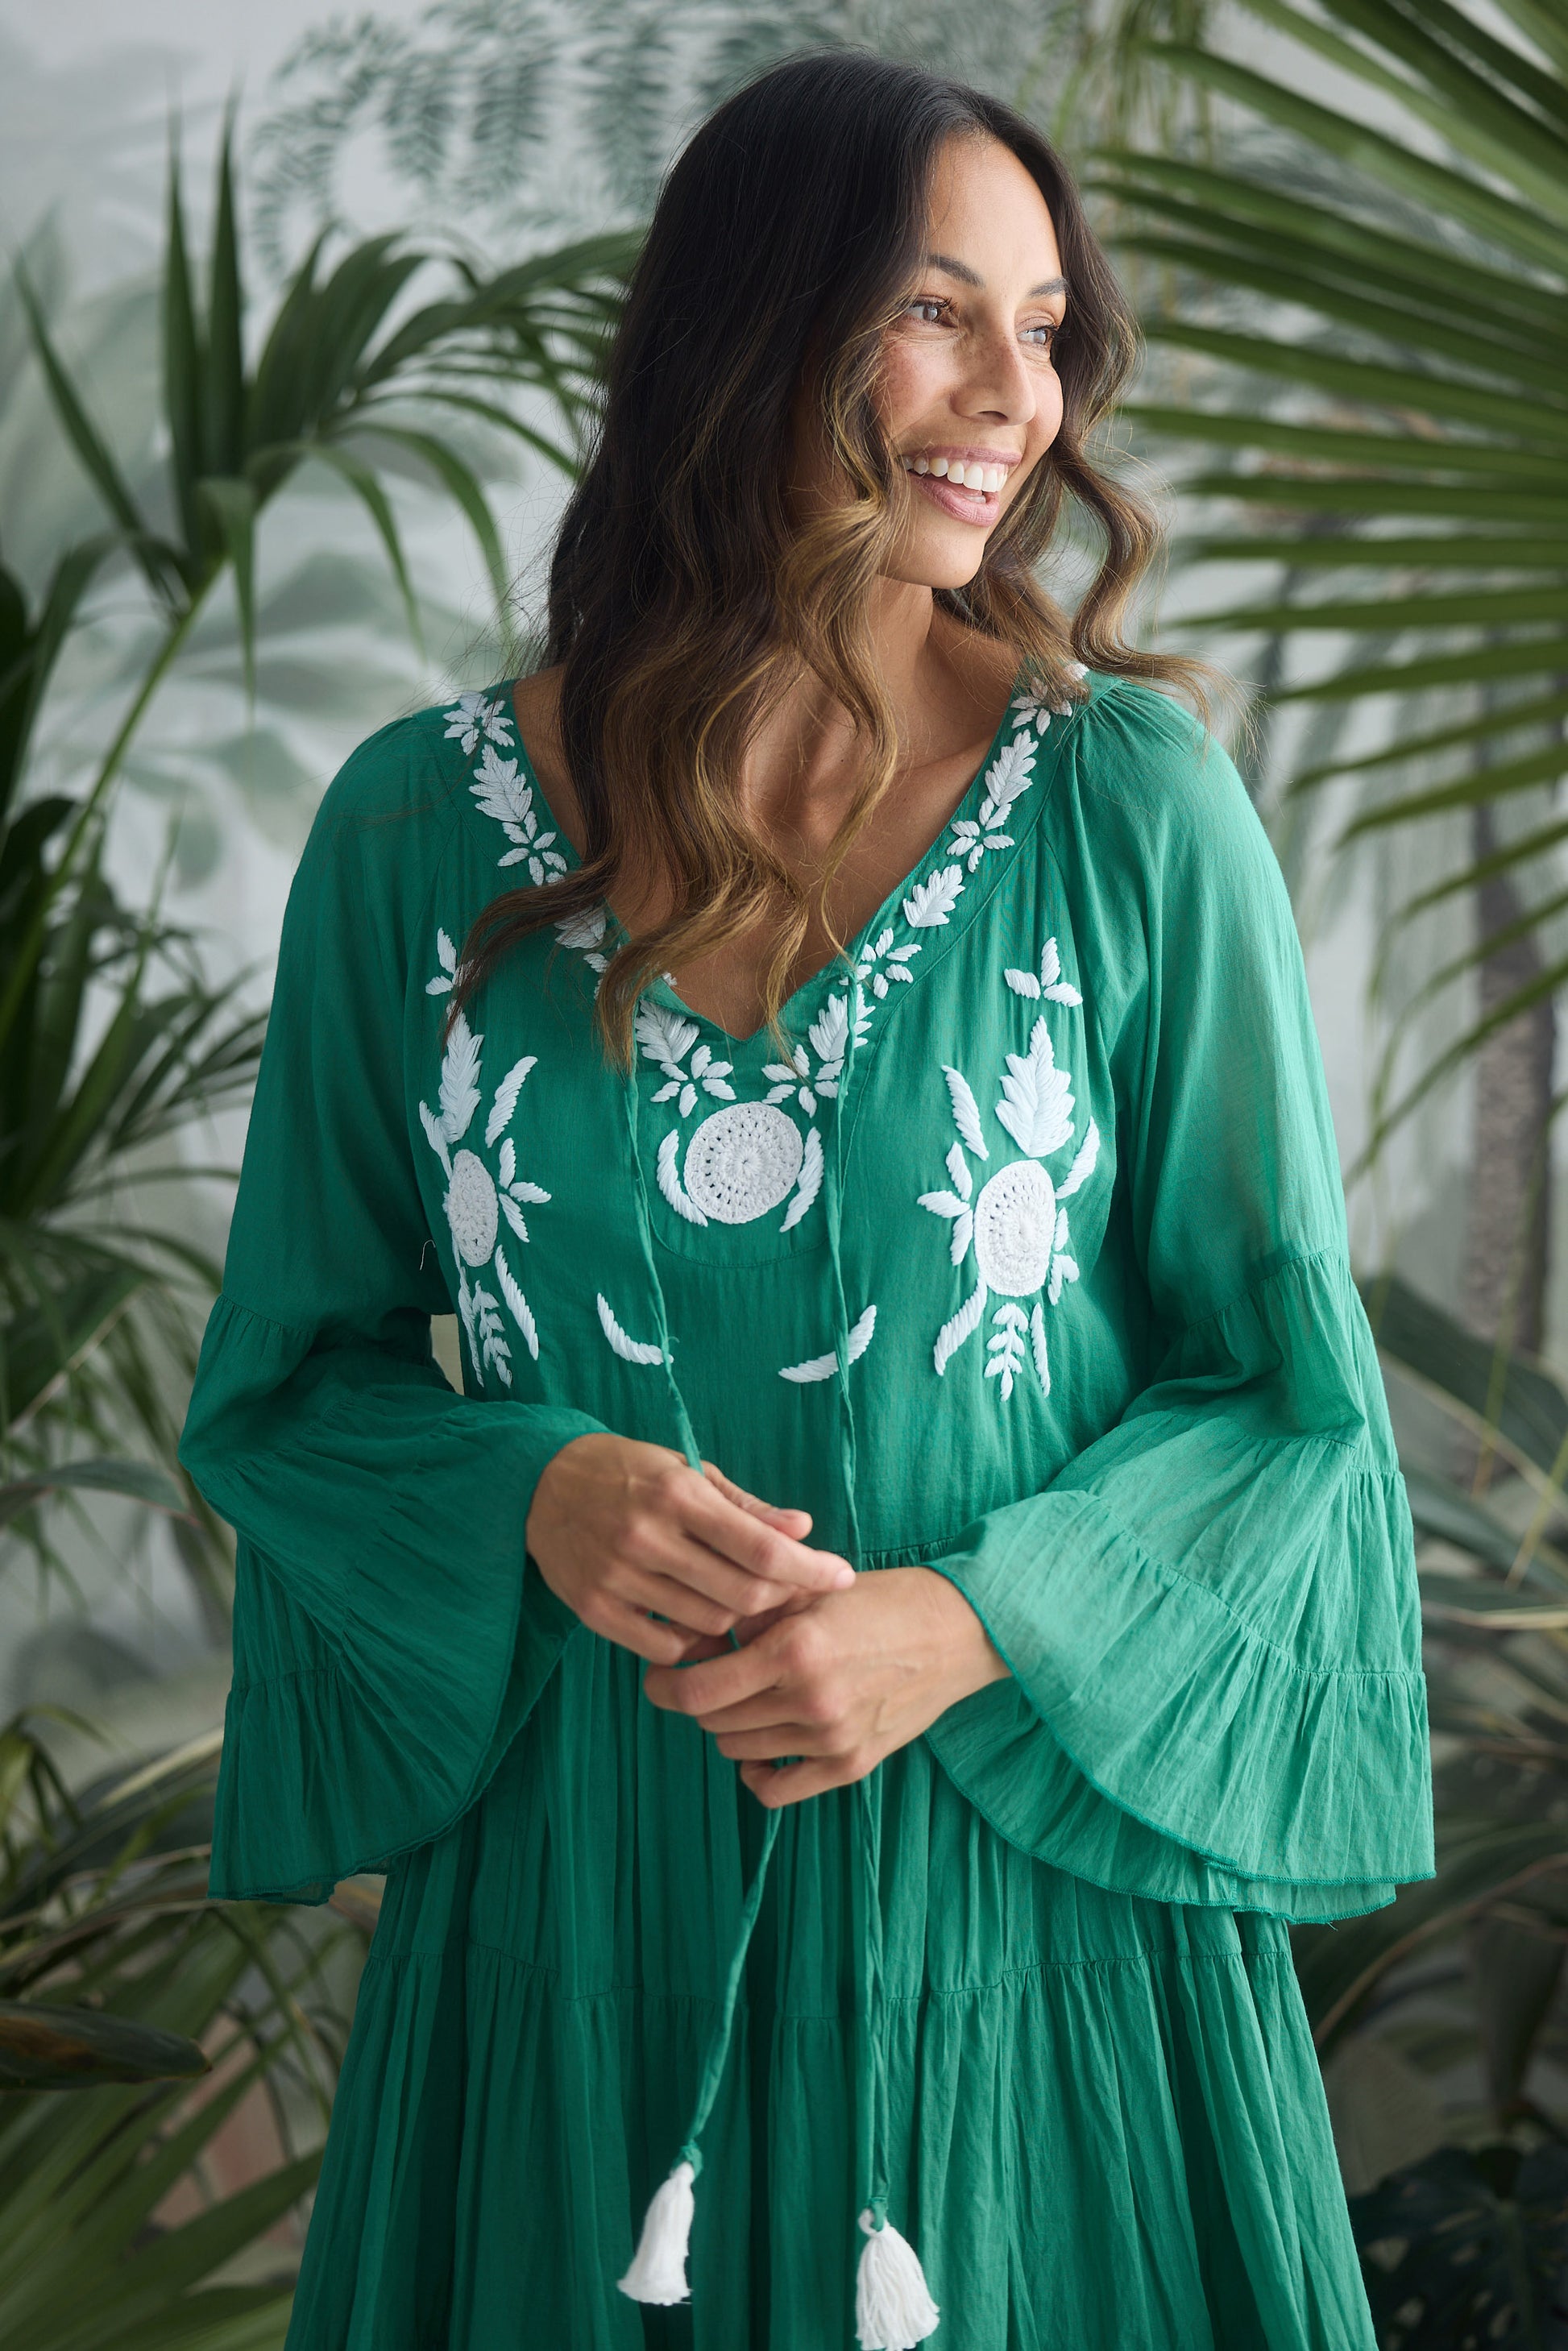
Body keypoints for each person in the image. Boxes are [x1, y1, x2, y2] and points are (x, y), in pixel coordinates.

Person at [177, 47, 1434, 2351]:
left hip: (1024, 1891)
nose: (1012, 394)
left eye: (1045, 328)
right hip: (576, 1903)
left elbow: (1283, 1399)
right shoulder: (413, 830)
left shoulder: (1125, 805)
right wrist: (531, 1486)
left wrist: (967, 1623)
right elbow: (287, 1384)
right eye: (939, 310)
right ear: (758, 324)